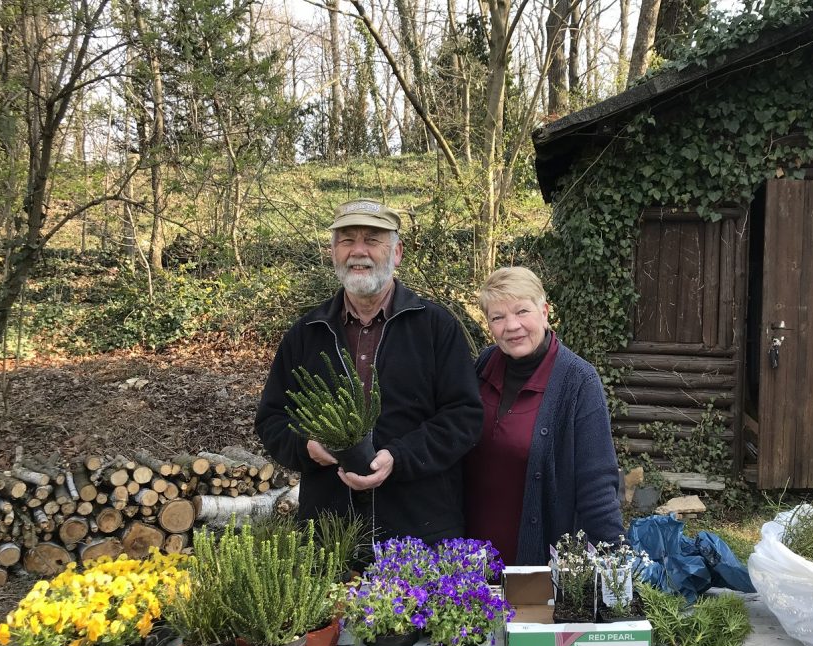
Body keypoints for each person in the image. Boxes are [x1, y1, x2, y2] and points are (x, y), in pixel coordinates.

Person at [255, 198, 482, 544]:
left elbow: (464, 416)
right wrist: (307, 447)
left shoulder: (436, 328)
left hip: (418, 528)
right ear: (333, 252)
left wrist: (399, 457)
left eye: (372, 240)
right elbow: (272, 418)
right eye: (347, 240)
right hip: (329, 531)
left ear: (396, 253)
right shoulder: (308, 333)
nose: (358, 251)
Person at [464, 266, 623, 565]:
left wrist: (613, 565)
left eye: (522, 311)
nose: (512, 326)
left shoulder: (578, 381)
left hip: (533, 558)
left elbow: (597, 483)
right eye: (498, 317)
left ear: (545, 311)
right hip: (473, 556)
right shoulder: (484, 366)